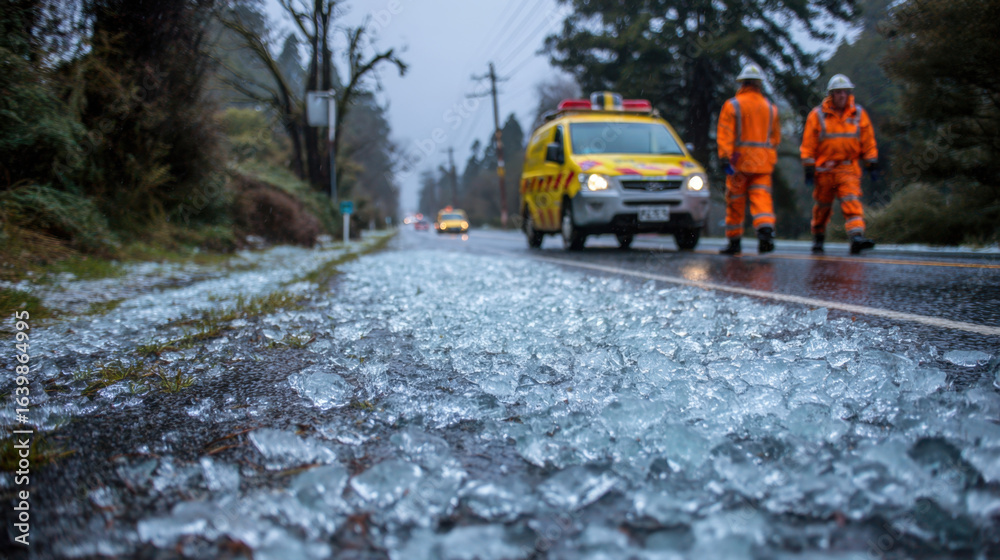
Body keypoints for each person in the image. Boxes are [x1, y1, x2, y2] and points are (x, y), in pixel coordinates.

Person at [800, 74, 878, 255]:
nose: (842, 95)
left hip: (848, 167)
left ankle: (856, 237)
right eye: (838, 92)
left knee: (851, 202)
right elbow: (808, 144)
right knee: (822, 207)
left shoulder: (858, 114)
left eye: (845, 92)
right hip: (824, 170)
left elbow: (868, 141)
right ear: (831, 95)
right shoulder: (817, 115)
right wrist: (809, 168)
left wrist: (871, 162)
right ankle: (818, 238)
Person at [716, 63, 780, 255]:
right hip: (762, 163)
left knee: (735, 201)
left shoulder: (733, 105)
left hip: (739, 162)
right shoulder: (770, 108)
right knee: (761, 198)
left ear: (742, 83)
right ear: (760, 84)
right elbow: (775, 138)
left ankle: (734, 242)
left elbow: (725, 134)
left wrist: (725, 157)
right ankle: (765, 232)